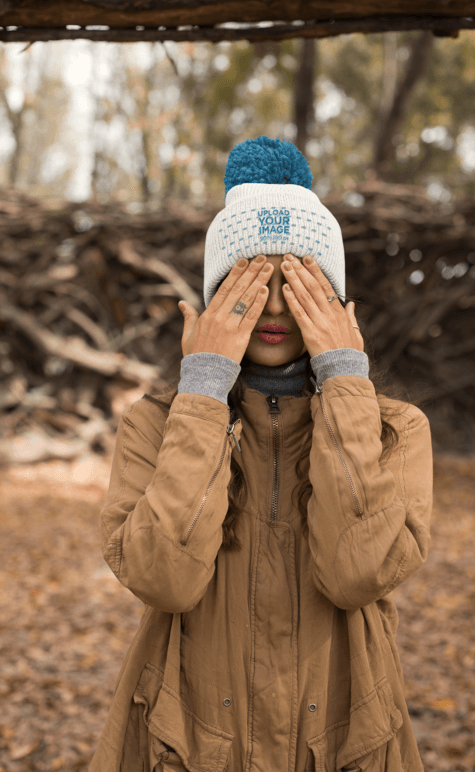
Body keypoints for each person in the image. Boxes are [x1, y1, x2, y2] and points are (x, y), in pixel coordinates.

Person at [89, 137, 433, 772]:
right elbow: (163, 578)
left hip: (346, 741)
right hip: (186, 743)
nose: (274, 306)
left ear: (335, 301)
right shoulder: (155, 425)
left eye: (299, 282)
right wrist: (203, 392)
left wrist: (344, 381)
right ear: (215, 293)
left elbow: (358, 572)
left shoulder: (395, 430)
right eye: (250, 281)